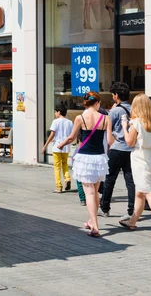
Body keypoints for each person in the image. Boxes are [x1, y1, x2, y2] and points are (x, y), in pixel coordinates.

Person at [57, 92, 110, 237]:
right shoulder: (106, 118)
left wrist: (61, 144)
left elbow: (71, 137)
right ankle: (91, 221)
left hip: (85, 158)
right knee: (95, 191)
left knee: (89, 193)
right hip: (100, 158)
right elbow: (110, 141)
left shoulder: (80, 118)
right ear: (98, 103)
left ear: (85, 103)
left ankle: (95, 227)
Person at [118, 94, 151, 239]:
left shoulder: (136, 122)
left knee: (149, 193)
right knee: (140, 192)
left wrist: (124, 127)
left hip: (140, 160)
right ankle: (132, 221)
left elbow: (129, 142)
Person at [101, 82, 135, 220]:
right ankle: (131, 209)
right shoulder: (134, 109)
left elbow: (107, 127)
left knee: (110, 179)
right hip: (130, 149)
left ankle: (105, 207)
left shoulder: (115, 111)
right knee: (131, 181)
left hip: (116, 148)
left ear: (116, 95)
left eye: (113, 94)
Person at [42, 104, 73, 193]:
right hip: (66, 147)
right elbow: (72, 136)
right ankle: (67, 179)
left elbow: (52, 135)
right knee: (65, 164)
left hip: (57, 147)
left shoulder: (55, 122)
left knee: (57, 167)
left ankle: (59, 186)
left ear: (59, 112)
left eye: (55, 112)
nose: (55, 113)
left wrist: (45, 145)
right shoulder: (70, 122)